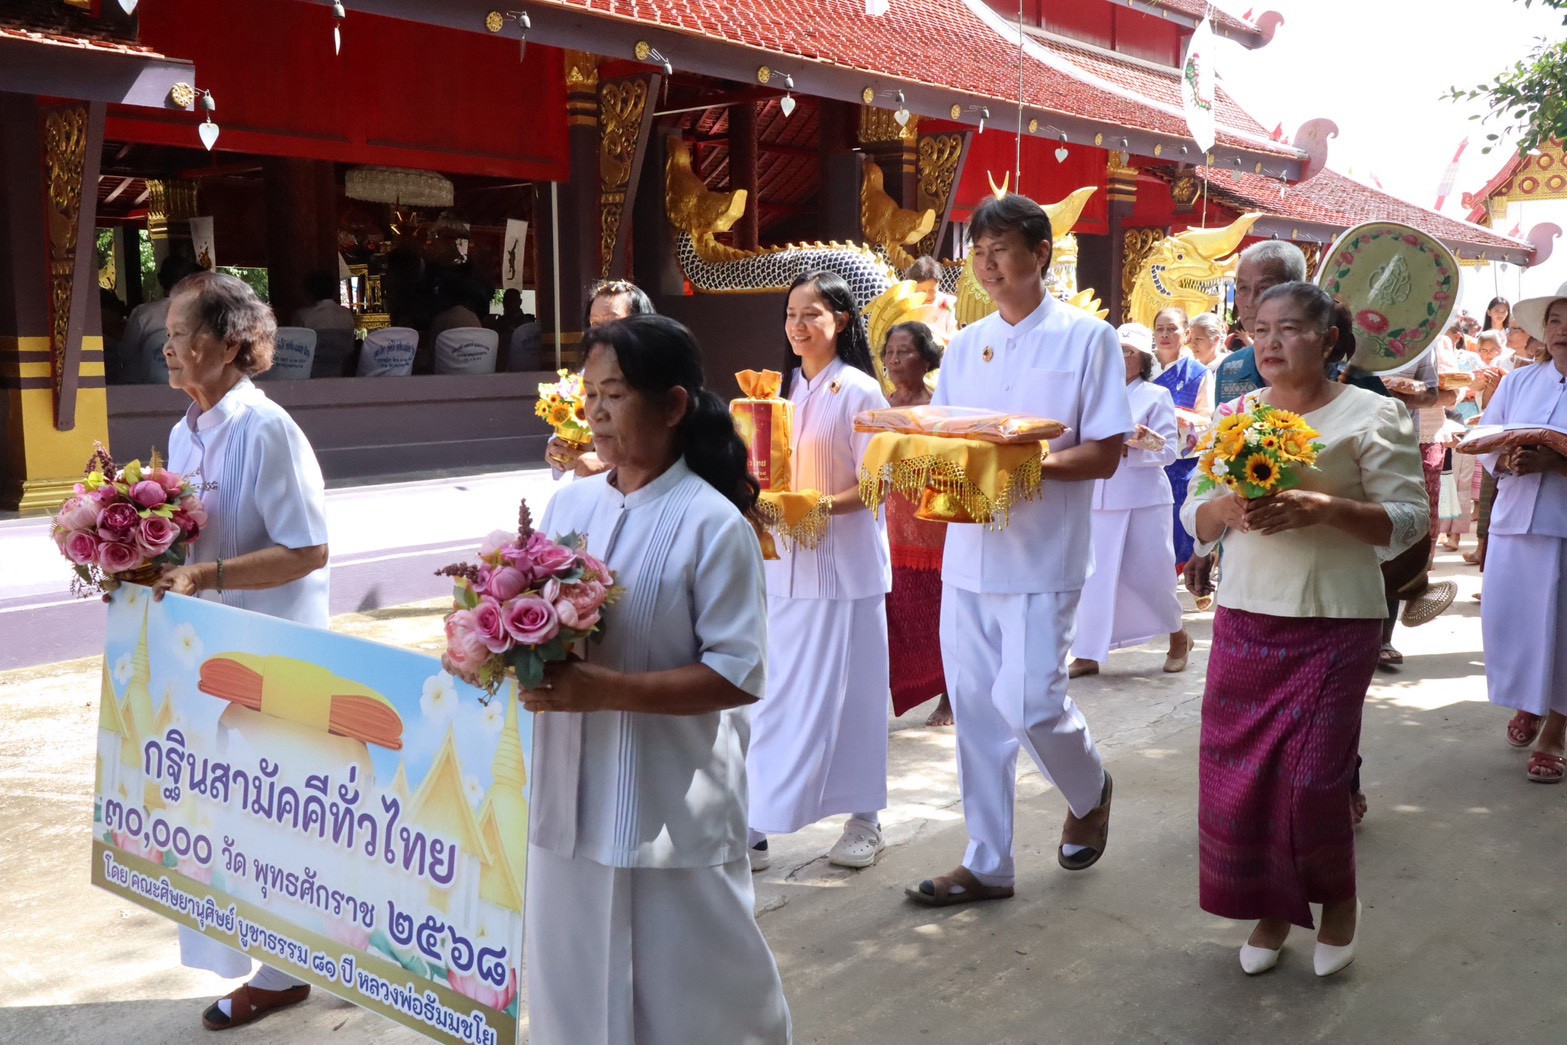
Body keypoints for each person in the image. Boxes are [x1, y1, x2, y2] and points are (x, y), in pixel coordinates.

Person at [519, 314, 791, 1044]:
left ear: (672, 405)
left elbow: (738, 673)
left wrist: (608, 690)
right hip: (566, 787)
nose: (596, 412)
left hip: (667, 794)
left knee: (698, 992)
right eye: (589, 393)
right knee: (568, 976)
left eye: (614, 393)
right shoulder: (568, 504)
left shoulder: (713, 523)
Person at [1183, 282, 1427, 978]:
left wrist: (1324, 507)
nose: (1268, 342)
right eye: (1257, 328)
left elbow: (1408, 517)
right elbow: (1192, 512)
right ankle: (1271, 909)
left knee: (1314, 781)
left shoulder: (1372, 414)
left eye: (1287, 328)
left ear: (1325, 338)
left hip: (1335, 617)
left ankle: (1338, 901)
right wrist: (1220, 511)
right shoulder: (1234, 413)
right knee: (1242, 779)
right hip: (1246, 615)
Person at [905, 193, 1130, 907]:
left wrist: (1023, 466)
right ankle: (987, 861)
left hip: (1043, 554)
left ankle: (1088, 787)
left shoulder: (1086, 338)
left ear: (1040, 254)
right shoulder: (966, 345)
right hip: (968, 552)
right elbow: (948, 442)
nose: (987, 264)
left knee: (1029, 701)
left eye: (1000, 249)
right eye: (977, 252)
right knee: (974, 712)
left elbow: (1102, 452)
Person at [148, 271, 331, 1030]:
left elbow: (309, 548)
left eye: (181, 330)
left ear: (228, 344)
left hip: (272, 654)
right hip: (208, 652)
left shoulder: (267, 428)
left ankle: (285, 970)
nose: (166, 344)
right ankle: (247, 955)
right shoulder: (185, 432)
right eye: (165, 330)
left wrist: (207, 572)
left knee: (273, 816)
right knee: (218, 814)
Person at [747, 270, 891, 871]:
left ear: (842, 321)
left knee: (853, 697)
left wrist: (822, 507)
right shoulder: (779, 395)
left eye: (813, 314)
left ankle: (864, 819)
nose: (799, 326)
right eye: (791, 315)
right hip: (785, 569)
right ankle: (755, 819)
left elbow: (880, 484)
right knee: (775, 697)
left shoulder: (859, 391)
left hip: (846, 570)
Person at [1476, 282, 1567, 782]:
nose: (1562, 330)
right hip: (1516, 522)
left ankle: (1556, 729)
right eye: (1554, 319)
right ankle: (1531, 703)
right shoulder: (1518, 382)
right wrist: (1507, 456)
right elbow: (1487, 438)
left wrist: (1559, 464)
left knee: (1563, 631)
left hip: (1563, 526)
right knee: (1514, 624)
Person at [1186, 242, 1308, 609]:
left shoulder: (1336, 366)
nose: (1252, 300)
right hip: (1243, 554)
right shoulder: (1232, 368)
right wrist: (1205, 545)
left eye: (1266, 287)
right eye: (1242, 288)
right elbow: (1218, 466)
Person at [1069, 323, 1191, 678]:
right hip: (1098, 497)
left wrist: (1131, 447)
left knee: (1151, 575)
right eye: (1115, 350)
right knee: (1094, 578)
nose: (1121, 358)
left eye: (1128, 351)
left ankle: (1178, 637)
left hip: (1143, 498)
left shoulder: (1155, 396)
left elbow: (1169, 450)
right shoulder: (1091, 394)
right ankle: (1088, 652)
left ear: (1143, 359)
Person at [880, 321, 953, 726]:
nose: (893, 359)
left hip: (931, 527)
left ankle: (950, 695)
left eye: (904, 351)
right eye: (889, 351)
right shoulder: (876, 405)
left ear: (926, 358)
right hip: (888, 525)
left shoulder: (941, 408)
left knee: (939, 614)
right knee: (896, 615)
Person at [544, 280, 656, 480]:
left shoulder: (658, 371)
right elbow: (574, 426)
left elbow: (668, 442)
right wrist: (558, 448)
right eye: (595, 324)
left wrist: (606, 464)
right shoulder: (588, 371)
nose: (602, 332)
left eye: (613, 322)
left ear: (640, 321)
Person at [1151, 305, 1214, 572]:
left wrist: (1173, 413)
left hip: (1182, 462)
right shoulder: (1141, 366)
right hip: (1147, 460)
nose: (1165, 335)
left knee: (1180, 527)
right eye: (1160, 329)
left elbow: (1207, 417)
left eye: (1172, 329)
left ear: (1186, 333)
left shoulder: (1198, 373)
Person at [111, 254, 202, 384]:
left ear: (159, 279)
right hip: (186, 387)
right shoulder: (200, 315)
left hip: (143, 389)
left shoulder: (143, 313)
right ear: (191, 280)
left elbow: (125, 353)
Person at [906, 255, 958, 342]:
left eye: (932, 290)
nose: (928, 295)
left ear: (938, 284)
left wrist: (933, 332)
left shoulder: (950, 304)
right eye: (922, 291)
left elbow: (956, 341)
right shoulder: (906, 305)